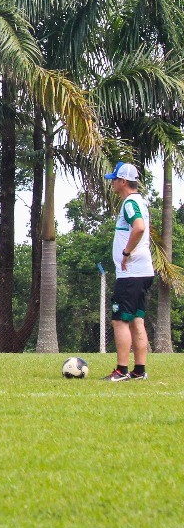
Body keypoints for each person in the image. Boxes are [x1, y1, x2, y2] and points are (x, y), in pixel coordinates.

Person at [104, 162, 153, 381]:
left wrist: (125, 253)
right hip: (143, 271)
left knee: (120, 320)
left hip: (130, 272)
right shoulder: (140, 200)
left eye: (114, 179)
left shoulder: (130, 203)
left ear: (123, 182)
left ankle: (121, 370)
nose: (112, 182)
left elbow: (139, 227)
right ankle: (139, 370)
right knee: (136, 320)